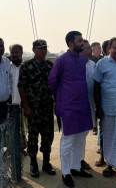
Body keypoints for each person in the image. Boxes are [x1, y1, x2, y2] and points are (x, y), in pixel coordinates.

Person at [48, 31, 93, 188]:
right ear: (70, 43)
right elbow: (52, 81)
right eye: (80, 41)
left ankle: (75, 168)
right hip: (68, 106)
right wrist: (63, 96)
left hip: (82, 104)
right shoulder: (61, 60)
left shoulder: (82, 58)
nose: (83, 43)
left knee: (80, 138)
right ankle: (66, 173)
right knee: (68, 140)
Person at [18, 39, 56, 178]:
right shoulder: (26, 66)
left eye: (45, 48)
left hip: (46, 107)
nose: (43, 51)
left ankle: (46, 163)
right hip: (33, 109)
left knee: (48, 136)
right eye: (40, 48)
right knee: (33, 137)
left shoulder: (49, 65)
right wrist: (26, 107)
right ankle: (33, 164)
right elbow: (21, 87)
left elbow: (54, 86)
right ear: (33, 50)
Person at [80, 39, 95, 170]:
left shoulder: (92, 65)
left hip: (89, 105)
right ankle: (75, 162)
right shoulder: (75, 64)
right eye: (87, 48)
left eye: (90, 48)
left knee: (84, 133)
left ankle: (80, 159)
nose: (90, 50)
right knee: (74, 136)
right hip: (76, 106)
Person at [9, 44, 27, 155]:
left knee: (24, 127)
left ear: (21, 53)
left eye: (17, 52)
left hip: (25, 102)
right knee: (13, 127)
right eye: (12, 53)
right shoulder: (8, 67)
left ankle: (22, 148)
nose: (14, 55)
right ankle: (13, 149)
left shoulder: (25, 67)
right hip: (11, 102)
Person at [0, 38, 10, 120]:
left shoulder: (7, 62)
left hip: (4, 106)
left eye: (2, 46)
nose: (0, 48)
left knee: (3, 131)